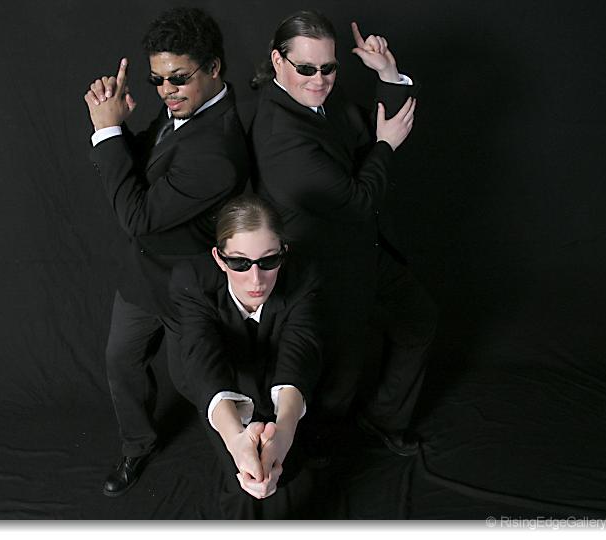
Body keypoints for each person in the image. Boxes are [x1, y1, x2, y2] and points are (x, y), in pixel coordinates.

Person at [249, 11, 438, 457]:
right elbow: (357, 199)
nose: (320, 80)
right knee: (338, 378)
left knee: (417, 319)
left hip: (362, 248)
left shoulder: (321, 98)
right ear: (278, 61)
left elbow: (375, 129)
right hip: (323, 266)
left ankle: (385, 418)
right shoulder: (280, 134)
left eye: (329, 68)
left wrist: (387, 74)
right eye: (306, 68)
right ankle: (320, 459)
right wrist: (385, 146)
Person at [82, 7, 249, 496]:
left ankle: (249, 472)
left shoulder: (218, 147)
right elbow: (150, 167)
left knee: (199, 384)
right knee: (121, 362)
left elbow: (138, 216)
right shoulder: (183, 107)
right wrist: (115, 125)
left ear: (214, 67)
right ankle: (138, 446)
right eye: (157, 79)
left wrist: (106, 132)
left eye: (178, 77)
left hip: (187, 287)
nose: (166, 90)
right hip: (143, 274)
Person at [169, 194, 322, 518]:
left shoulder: (304, 277)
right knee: (242, 483)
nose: (256, 280)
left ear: (283, 253)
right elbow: (202, 360)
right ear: (219, 258)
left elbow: (299, 353)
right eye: (239, 263)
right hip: (223, 390)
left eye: (268, 261)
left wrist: (284, 433)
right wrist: (235, 440)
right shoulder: (192, 281)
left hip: (278, 384)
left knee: (286, 479)